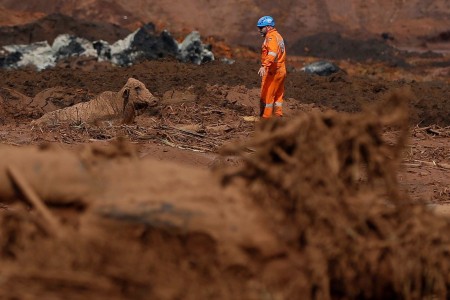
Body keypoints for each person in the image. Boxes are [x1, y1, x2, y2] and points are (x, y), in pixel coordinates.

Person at [257, 15, 287, 118]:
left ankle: (266, 118)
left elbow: (272, 53)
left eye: (261, 28)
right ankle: (278, 116)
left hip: (274, 70)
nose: (260, 30)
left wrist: (264, 65)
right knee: (278, 94)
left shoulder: (271, 37)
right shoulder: (278, 36)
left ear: (268, 27)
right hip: (281, 69)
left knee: (268, 95)